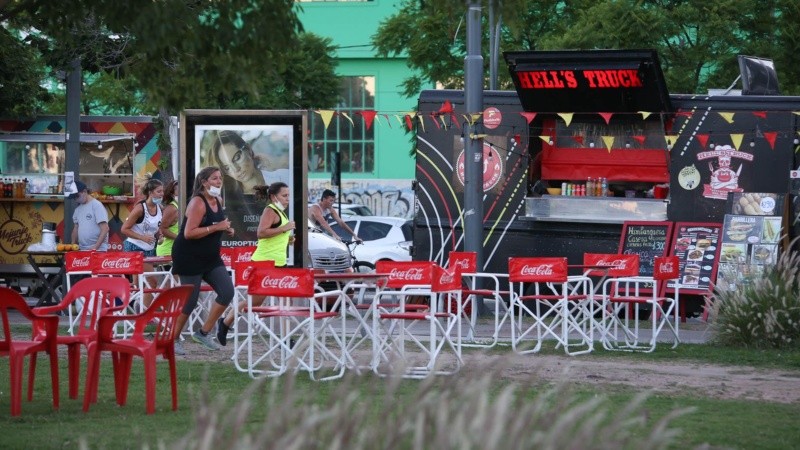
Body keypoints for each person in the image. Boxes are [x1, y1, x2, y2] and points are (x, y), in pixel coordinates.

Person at [216, 182, 295, 346]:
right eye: (284, 196)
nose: (288, 199)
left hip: (278, 262)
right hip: (263, 263)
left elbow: (274, 235)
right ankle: (225, 322)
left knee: (286, 300)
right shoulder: (270, 210)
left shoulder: (281, 211)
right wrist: (284, 229)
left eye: (288, 195)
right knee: (255, 302)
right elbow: (261, 233)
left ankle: (287, 338)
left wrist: (288, 239)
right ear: (274, 197)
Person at [171, 166, 235, 352]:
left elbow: (215, 224)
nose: (219, 181)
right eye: (214, 178)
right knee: (190, 301)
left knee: (227, 292)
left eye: (220, 178)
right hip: (188, 256)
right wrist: (217, 227)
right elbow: (189, 233)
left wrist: (226, 229)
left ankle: (203, 333)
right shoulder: (197, 203)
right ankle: (173, 339)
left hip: (211, 257)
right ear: (204, 182)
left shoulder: (218, 199)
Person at [204, 131, 290, 241]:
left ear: (248, 150)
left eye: (237, 158)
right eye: (227, 168)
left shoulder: (285, 177)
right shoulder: (225, 199)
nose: (236, 170)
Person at [121, 176, 164, 309]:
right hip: (134, 247)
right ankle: (143, 310)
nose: (162, 194)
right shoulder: (140, 208)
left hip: (149, 248)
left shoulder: (160, 208)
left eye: (162, 191)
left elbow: (156, 228)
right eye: (159, 191)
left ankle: (137, 308)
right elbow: (124, 229)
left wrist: (160, 235)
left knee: (139, 284)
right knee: (152, 281)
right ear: (150, 193)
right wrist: (142, 237)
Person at [69, 179, 109, 251]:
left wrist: (95, 247)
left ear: (84, 191)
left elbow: (105, 229)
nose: (76, 199)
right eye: (74, 198)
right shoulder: (77, 210)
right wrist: (72, 244)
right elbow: (76, 228)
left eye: (77, 196)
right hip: (82, 249)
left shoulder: (96, 206)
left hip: (98, 250)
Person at [156, 180, 180, 258]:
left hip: (177, 250)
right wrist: (180, 239)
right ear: (172, 194)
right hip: (167, 251)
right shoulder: (172, 208)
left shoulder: (180, 207)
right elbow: (162, 229)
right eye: (178, 190)